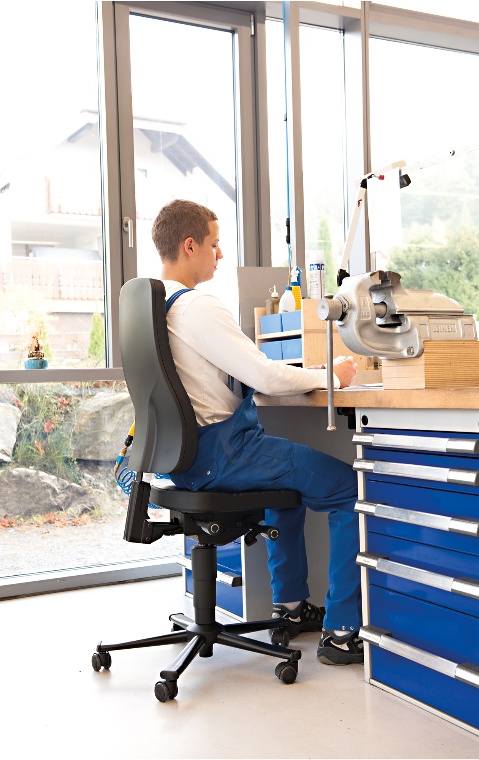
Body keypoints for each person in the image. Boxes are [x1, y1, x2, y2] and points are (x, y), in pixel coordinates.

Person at [152, 198, 363, 665]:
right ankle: (343, 632)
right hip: (225, 453)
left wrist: (305, 374)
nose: (220, 254)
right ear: (189, 246)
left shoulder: (155, 306)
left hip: (187, 462)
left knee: (285, 490)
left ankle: (290, 607)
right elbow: (264, 376)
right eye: (214, 243)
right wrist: (329, 375)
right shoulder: (196, 306)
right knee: (348, 489)